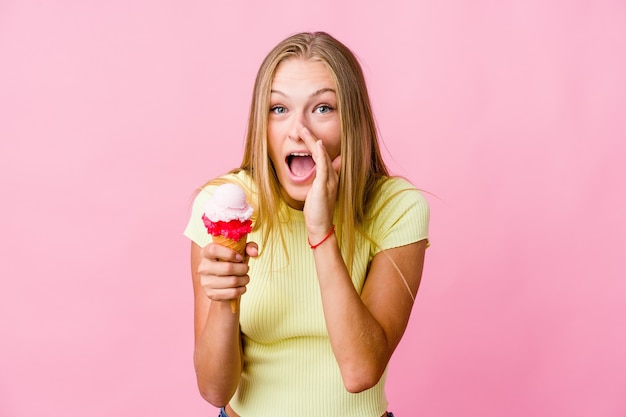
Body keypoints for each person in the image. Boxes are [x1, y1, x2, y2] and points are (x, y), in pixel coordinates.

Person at [184, 31, 430, 417]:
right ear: (261, 125)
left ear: (353, 122)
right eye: (278, 109)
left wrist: (322, 232)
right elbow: (215, 389)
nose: (298, 130)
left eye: (322, 108)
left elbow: (360, 371)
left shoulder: (396, 208)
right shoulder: (225, 206)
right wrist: (224, 299)